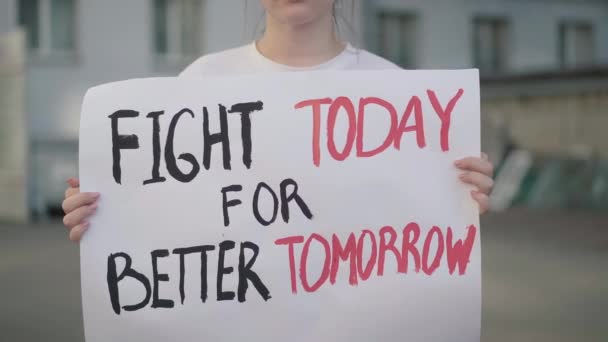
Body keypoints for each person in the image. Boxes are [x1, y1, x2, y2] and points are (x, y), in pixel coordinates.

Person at [62, 0, 494, 242]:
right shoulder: (198, 85)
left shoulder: (395, 93)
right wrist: (103, 216)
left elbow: (417, 234)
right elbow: (167, 222)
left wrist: (459, 194)